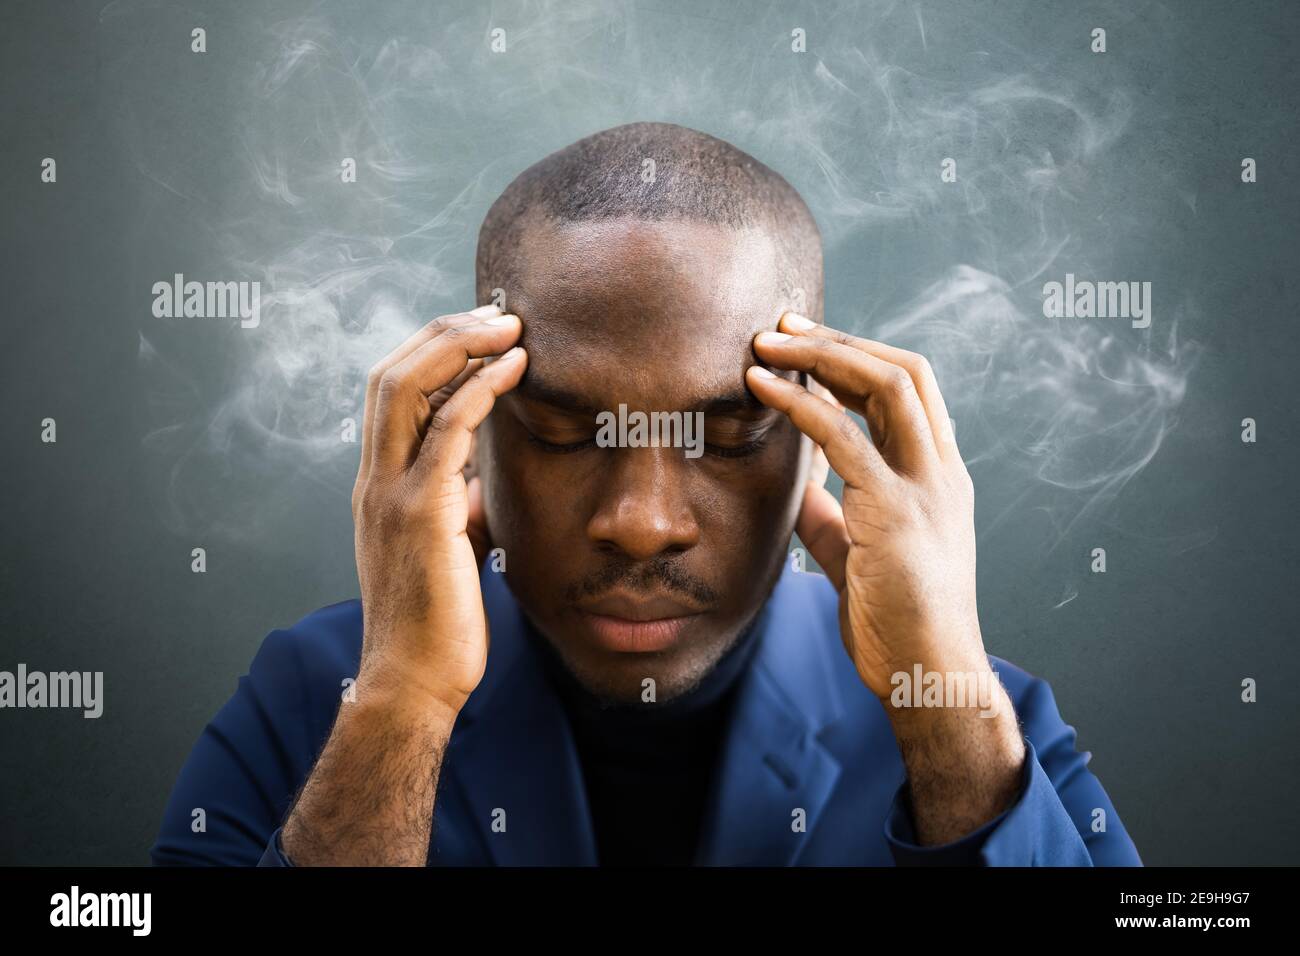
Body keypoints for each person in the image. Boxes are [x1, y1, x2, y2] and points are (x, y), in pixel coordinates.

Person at [151, 122, 1141, 866]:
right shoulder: (317, 689)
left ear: (818, 434)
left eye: (724, 433)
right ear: (472, 425)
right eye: (561, 429)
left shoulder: (982, 712)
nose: (641, 522)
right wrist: (401, 702)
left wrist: (948, 722)